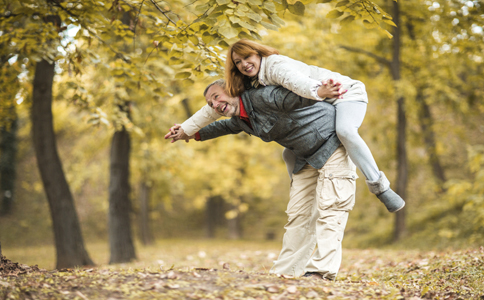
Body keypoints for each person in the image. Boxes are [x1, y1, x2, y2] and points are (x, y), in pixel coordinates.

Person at [168, 39, 405, 213]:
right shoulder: (248, 83)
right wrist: (187, 131)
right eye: (238, 62)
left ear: (258, 53)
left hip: (343, 94)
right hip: (321, 100)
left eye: (247, 58)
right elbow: (217, 111)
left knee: (345, 131)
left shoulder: (275, 66)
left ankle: (380, 187)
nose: (244, 64)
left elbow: (298, 85)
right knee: (289, 154)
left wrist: (318, 91)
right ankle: (303, 197)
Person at [166, 79, 356, 280]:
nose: (214, 105)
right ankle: (286, 272)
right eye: (210, 104)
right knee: (298, 213)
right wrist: (189, 133)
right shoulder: (243, 118)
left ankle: (322, 272)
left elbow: (297, 97)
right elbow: (224, 127)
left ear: (233, 89)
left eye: (216, 96)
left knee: (331, 209)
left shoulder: (263, 97)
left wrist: (321, 91)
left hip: (332, 143)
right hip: (304, 155)